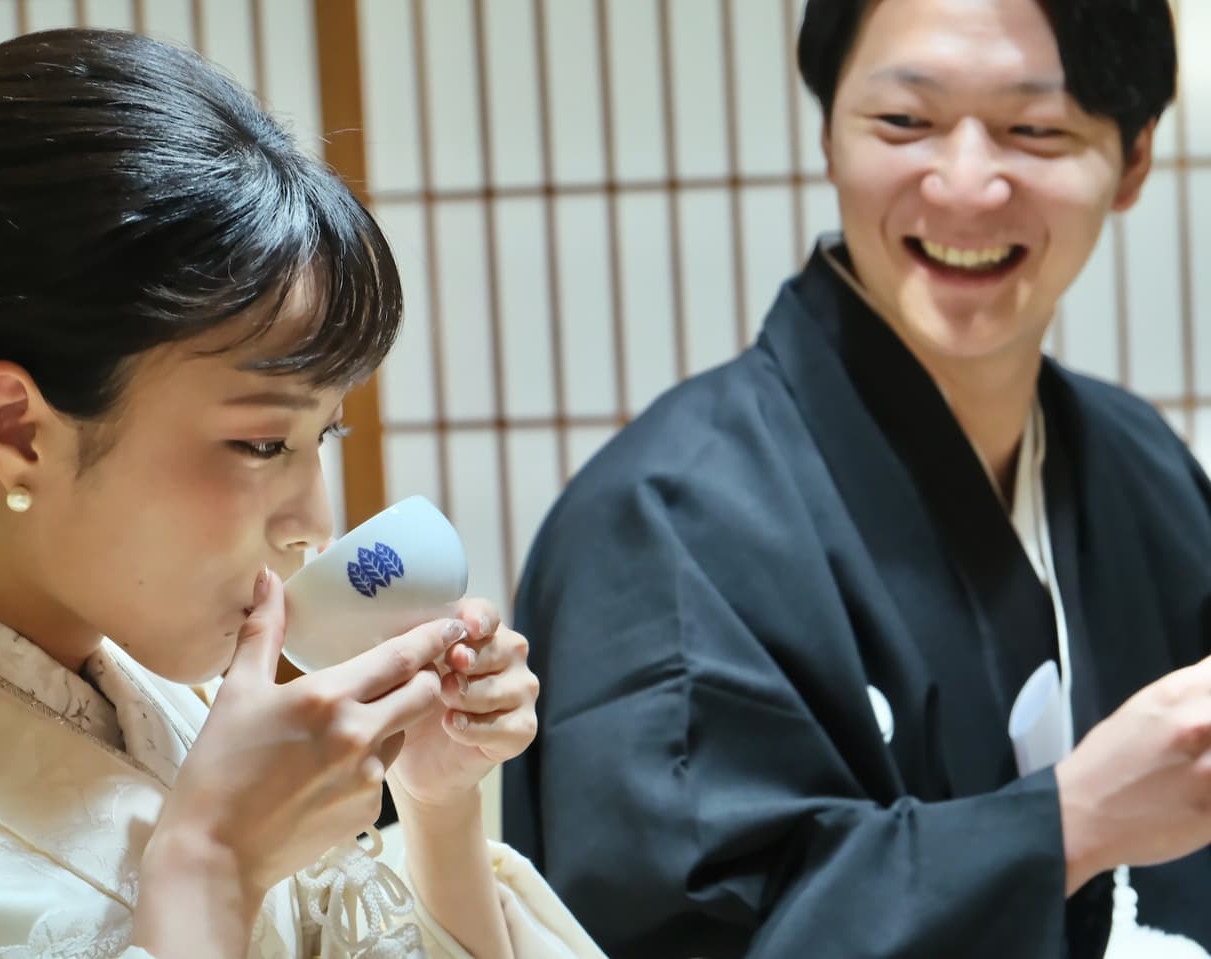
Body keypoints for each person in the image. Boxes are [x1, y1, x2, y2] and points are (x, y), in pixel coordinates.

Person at [0, 28, 603, 959]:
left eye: (323, 434)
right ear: (16, 429)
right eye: (260, 441)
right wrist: (210, 866)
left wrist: (438, 801)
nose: (313, 526)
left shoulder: (191, 720)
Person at [503, 0, 1211, 956]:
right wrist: (1068, 824)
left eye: (1034, 130)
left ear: (1132, 160)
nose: (965, 186)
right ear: (830, 132)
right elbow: (673, 932)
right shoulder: (664, 523)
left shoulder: (1144, 472)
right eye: (904, 123)